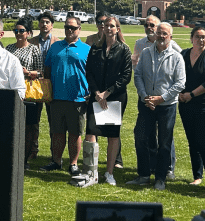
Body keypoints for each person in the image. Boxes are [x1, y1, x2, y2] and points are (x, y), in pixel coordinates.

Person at [73, 16, 132, 187]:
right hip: (96, 97)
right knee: (91, 132)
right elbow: (89, 72)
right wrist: (97, 93)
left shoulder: (124, 49)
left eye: (112, 26)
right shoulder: (95, 48)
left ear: (117, 29)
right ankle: (91, 172)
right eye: (105, 25)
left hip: (115, 97)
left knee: (112, 135)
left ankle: (109, 173)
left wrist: (107, 93)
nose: (108, 28)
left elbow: (126, 76)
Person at [129, 22, 185, 190]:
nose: (161, 36)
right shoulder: (146, 53)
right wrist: (144, 96)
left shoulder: (177, 57)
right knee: (141, 137)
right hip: (146, 103)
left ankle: (160, 177)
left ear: (170, 37)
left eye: (164, 34)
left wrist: (162, 98)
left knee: (164, 142)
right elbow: (138, 75)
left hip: (166, 106)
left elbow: (180, 83)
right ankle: (144, 175)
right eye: (159, 33)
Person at [40, 16, 90, 177]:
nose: (69, 30)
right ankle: (56, 161)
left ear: (79, 29)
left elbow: (92, 74)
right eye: (67, 27)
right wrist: (48, 92)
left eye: (73, 28)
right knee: (57, 132)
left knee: (75, 133)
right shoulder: (55, 47)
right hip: (56, 98)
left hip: (77, 99)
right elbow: (47, 70)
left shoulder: (86, 49)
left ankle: (73, 163)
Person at [177, 27, 205, 193]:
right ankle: (197, 176)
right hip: (186, 105)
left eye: (203, 37)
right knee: (192, 142)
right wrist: (179, 94)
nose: (201, 40)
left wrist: (191, 95)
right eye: (197, 37)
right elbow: (175, 75)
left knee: (203, 143)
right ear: (191, 38)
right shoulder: (183, 55)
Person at [4, 17, 44, 168]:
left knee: (28, 127)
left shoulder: (34, 49)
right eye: (16, 31)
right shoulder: (9, 48)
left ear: (28, 33)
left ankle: (24, 159)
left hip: (28, 93)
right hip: (10, 91)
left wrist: (28, 72)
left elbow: (41, 72)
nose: (18, 33)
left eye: (21, 31)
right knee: (11, 125)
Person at [30, 11, 59, 162]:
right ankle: (32, 150)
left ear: (52, 25)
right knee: (33, 120)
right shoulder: (31, 41)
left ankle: (54, 153)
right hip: (34, 84)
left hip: (52, 85)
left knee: (53, 121)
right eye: (42, 22)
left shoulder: (58, 43)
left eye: (47, 22)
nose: (44, 24)